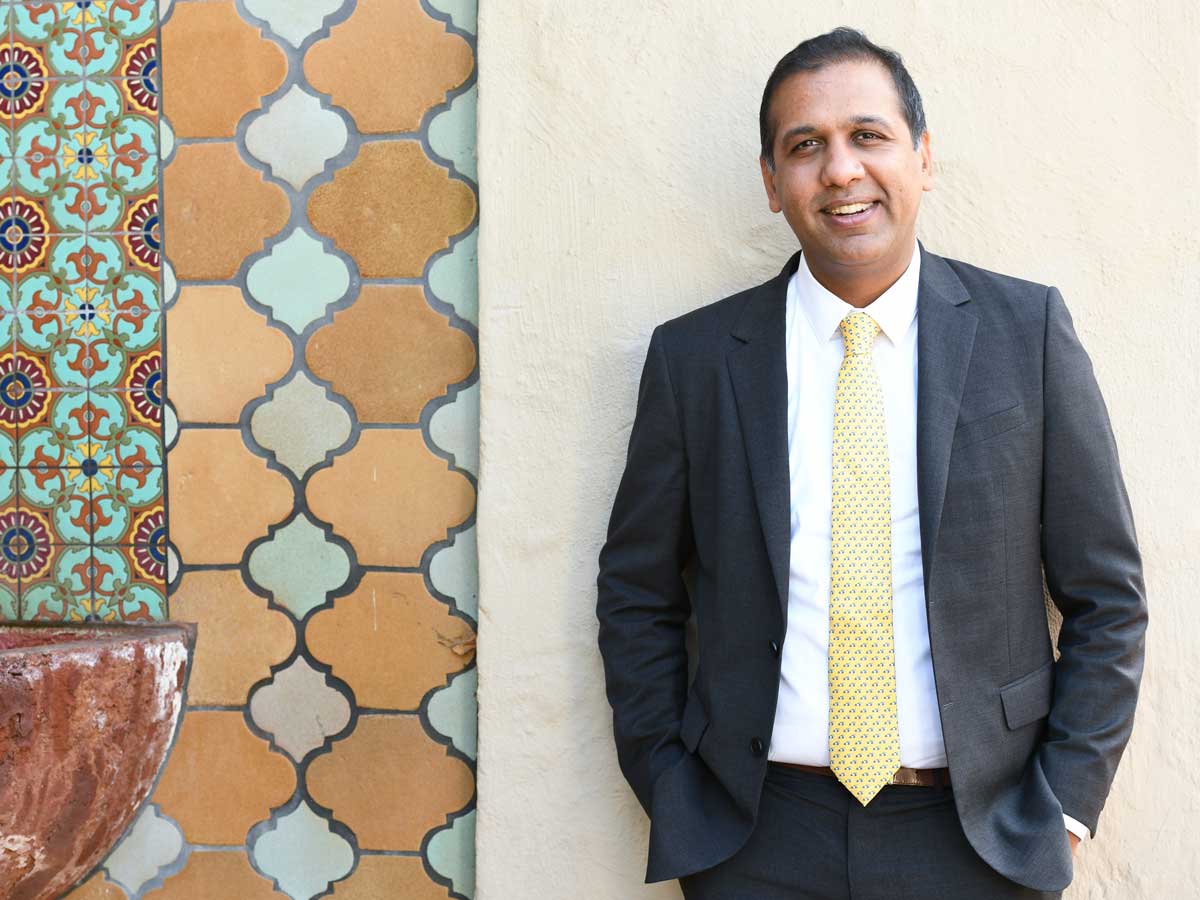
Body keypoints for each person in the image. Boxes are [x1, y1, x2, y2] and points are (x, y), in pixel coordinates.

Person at [594, 26, 1147, 899]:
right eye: (805, 147)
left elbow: (1107, 595)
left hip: (980, 840)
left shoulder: (1026, 334)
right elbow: (637, 591)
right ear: (772, 183)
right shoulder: (696, 360)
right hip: (756, 840)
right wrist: (672, 787)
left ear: (922, 157)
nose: (841, 169)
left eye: (868, 135)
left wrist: (1065, 811)